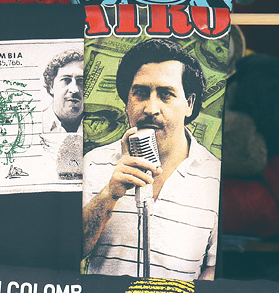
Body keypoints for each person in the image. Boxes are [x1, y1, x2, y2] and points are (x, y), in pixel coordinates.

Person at [82, 38, 220, 279]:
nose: (150, 108)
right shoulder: (93, 163)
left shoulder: (216, 177)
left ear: (189, 104)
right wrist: (110, 194)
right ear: (127, 101)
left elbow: (213, 267)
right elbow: (70, 252)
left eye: (166, 94)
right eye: (141, 93)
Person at [41, 49, 84, 134]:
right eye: (66, 80)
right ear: (51, 86)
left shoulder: (102, 127)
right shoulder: (36, 124)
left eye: (81, 81)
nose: (74, 89)